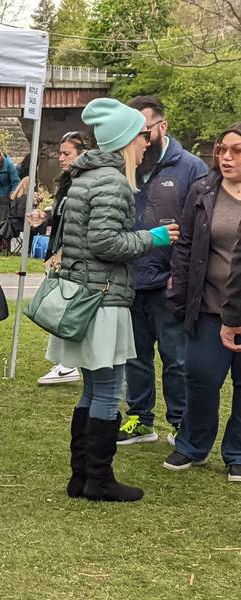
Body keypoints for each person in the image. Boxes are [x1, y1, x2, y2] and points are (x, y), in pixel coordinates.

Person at [47, 98, 179, 503]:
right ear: (125, 140)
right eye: (141, 135)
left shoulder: (87, 178)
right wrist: (153, 237)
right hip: (103, 299)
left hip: (88, 296)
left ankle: (82, 476)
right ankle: (98, 479)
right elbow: (105, 242)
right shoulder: (112, 182)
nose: (146, 142)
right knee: (107, 389)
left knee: (91, 389)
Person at [117, 96, 209, 447]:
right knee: (134, 357)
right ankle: (140, 420)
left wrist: (181, 275)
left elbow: (201, 228)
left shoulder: (190, 167)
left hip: (170, 284)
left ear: (161, 127)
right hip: (130, 279)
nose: (139, 136)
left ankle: (181, 423)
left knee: (176, 359)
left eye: (143, 129)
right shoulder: (125, 162)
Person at [165, 123, 241, 482]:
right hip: (209, 307)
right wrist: (178, 293)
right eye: (222, 150)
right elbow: (185, 247)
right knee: (200, 379)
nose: (226, 157)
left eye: (236, 151)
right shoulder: (204, 189)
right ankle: (193, 444)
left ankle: (237, 452)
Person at [35, 132, 91, 386]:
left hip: (75, 256)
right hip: (60, 252)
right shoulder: (67, 182)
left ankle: (69, 364)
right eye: (60, 153)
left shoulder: (88, 182)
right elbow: (63, 212)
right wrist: (46, 214)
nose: (61, 158)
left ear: (83, 153)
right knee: (59, 305)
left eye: (66, 153)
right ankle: (66, 361)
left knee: (66, 306)